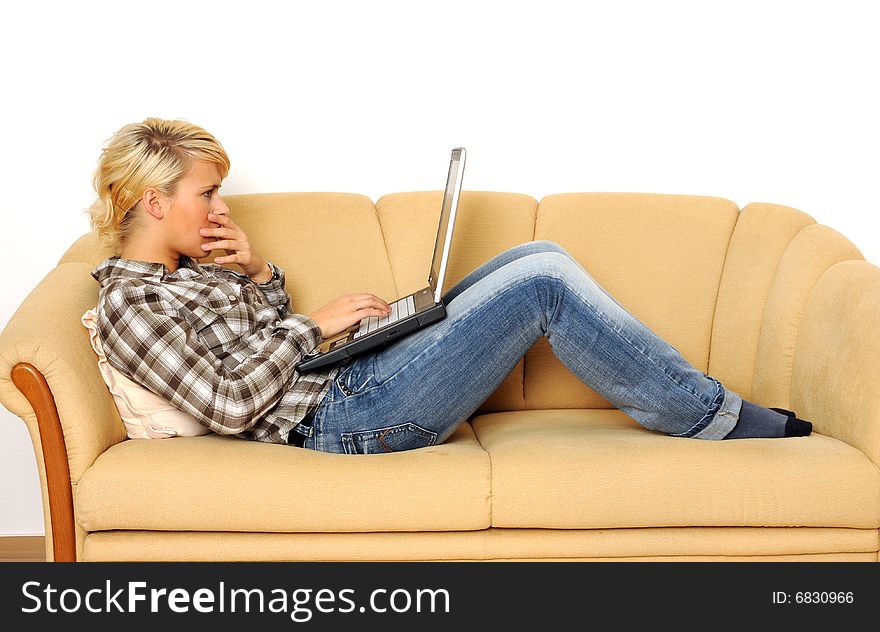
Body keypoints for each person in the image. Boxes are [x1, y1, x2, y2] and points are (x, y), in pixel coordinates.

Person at [87, 117, 812, 454]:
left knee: (541, 251)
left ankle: (700, 407)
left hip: (349, 376)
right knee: (543, 288)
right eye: (207, 194)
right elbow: (228, 403)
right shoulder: (131, 305)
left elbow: (256, 346)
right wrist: (316, 322)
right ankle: (710, 416)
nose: (221, 208)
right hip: (339, 420)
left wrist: (255, 276)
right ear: (155, 203)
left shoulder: (194, 268)